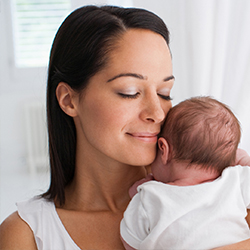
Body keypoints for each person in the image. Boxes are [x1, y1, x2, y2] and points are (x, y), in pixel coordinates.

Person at [0, 5, 249, 250]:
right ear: (69, 99)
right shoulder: (27, 235)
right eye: (129, 92)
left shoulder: (226, 193)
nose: (157, 112)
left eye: (165, 93)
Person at [120, 96, 250, 250]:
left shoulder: (149, 196)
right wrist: (242, 160)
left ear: (163, 150)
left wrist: (137, 197)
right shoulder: (234, 180)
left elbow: (130, 241)